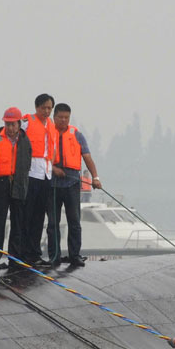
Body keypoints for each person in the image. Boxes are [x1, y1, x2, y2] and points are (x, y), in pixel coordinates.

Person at [49, 103, 101, 267]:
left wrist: (95, 177)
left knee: (74, 221)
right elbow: (39, 157)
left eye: (66, 118)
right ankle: (54, 256)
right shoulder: (48, 134)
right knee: (53, 223)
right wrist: (53, 168)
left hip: (72, 182)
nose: (63, 120)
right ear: (54, 117)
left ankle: (75, 255)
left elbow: (87, 157)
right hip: (53, 183)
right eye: (60, 117)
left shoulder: (77, 135)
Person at [0, 107, 32, 272]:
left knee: (18, 223)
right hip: (0, 184)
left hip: (18, 183)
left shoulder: (25, 141)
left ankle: (14, 259)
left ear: (19, 124)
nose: (10, 128)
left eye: (13, 124)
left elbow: (27, 163)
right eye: (7, 124)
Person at [22, 93, 56, 266]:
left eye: (49, 108)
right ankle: (23, 252)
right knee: (27, 214)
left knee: (39, 216)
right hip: (31, 173)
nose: (47, 111)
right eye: (43, 107)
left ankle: (35, 253)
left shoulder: (51, 125)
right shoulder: (27, 123)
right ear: (37, 108)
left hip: (46, 173)